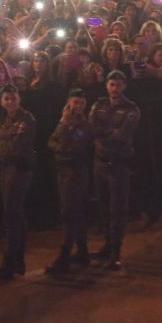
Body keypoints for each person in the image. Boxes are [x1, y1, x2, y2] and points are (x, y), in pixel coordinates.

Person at [0, 85, 36, 280]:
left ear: (19, 99)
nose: (10, 102)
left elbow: (15, 147)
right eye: (6, 99)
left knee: (12, 214)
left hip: (19, 169)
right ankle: (17, 260)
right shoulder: (4, 119)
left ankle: (10, 261)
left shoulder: (26, 119)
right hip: (6, 168)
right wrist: (4, 147)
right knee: (14, 214)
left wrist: (4, 147)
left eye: (13, 98)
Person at [89, 70, 140, 270]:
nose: (115, 88)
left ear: (124, 87)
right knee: (103, 208)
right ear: (107, 86)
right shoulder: (98, 104)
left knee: (117, 210)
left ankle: (116, 252)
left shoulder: (132, 108)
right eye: (112, 84)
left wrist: (103, 133)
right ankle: (108, 245)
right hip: (100, 163)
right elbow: (91, 128)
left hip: (119, 164)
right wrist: (109, 131)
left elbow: (123, 135)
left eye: (118, 85)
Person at [45, 87, 94, 274]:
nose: (78, 106)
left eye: (82, 102)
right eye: (75, 102)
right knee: (76, 211)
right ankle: (82, 251)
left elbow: (69, 147)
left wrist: (64, 127)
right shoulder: (64, 122)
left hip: (75, 171)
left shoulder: (85, 126)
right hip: (63, 170)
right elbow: (51, 142)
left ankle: (64, 256)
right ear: (69, 103)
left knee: (69, 212)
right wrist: (63, 129)